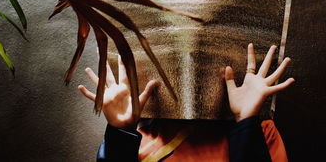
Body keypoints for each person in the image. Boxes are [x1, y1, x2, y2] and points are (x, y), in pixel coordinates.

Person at [78, 43, 295, 161]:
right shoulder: (139, 145)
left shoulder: (262, 134)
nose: (190, 52)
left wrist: (246, 122)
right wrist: (121, 133)